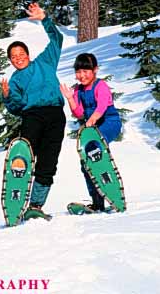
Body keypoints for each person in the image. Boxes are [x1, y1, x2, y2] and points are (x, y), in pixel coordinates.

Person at [1, 3, 65, 219]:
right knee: (25, 157)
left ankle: (36, 206)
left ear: (28, 54)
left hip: (55, 114)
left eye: (21, 54)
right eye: (13, 56)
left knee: (48, 161)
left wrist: (44, 19)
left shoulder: (45, 62)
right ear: (10, 61)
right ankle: (16, 200)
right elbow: (17, 109)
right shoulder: (16, 80)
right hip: (32, 117)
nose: (18, 58)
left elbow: (57, 40)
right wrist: (8, 97)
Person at [60, 53, 122, 211]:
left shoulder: (101, 86)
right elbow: (79, 113)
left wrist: (91, 121)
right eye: (78, 72)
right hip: (92, 128)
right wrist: (70, 98)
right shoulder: (78, 90)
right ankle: (97, 202)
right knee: (86, 162)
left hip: (109, 122)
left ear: (95, 70)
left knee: (95, 149)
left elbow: (101, 107)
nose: (81, 75)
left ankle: (114, 193)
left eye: (85, 71)